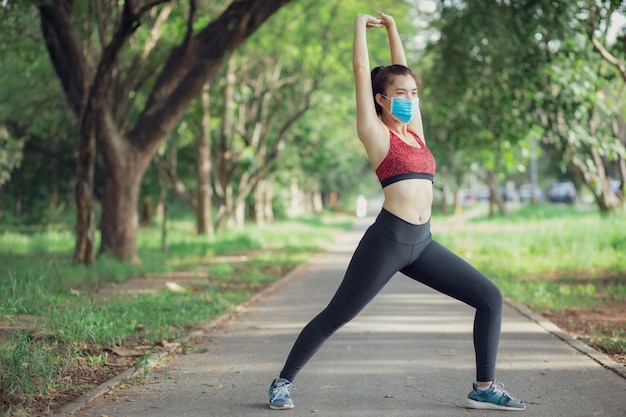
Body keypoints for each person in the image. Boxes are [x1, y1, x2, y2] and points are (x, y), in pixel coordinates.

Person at [268, 11, 526, 412]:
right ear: (380, 99)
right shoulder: (375, 133)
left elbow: (404, 71)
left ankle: (484, 387)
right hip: (388, 241)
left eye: (413, 93)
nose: (408, 99)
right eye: (399, 94)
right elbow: (359, 69)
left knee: (490, 297)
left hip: (422, 244)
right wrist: (358, 25)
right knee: (336, 315)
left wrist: (393, 29)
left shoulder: (416, 133)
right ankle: (282, 382)